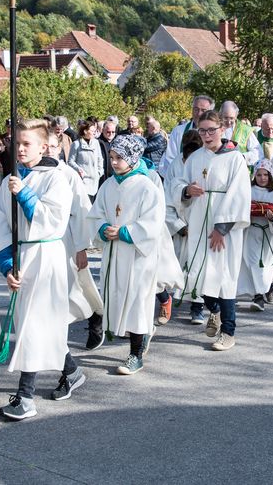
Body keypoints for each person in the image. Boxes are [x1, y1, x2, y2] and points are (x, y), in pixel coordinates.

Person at [0, 119, 81, 420]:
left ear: (43, 146)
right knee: (38, 325)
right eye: (16, 143)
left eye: (26, 144)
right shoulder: (10, 180)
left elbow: (53, 221)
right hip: (22, 258)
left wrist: (25, 194)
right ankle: (72, 371)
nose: (19, 149)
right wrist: (7, 265)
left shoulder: (56, 179)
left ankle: (26, 397)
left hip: (46, 256)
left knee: (34, 325)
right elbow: (1, 228)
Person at [88, 134, 169, 374]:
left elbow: (154, 222)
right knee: (117, 296)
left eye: (119, 158)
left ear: (133, 158)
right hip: (114, 253)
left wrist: (125, 232)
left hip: (138, 255)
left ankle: (135, 355)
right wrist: (102, 228)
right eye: (112, 157)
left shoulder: (146, 186)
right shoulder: (108, 185)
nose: (114, 162)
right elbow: (96, 214)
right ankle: (140, 337)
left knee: (137, 302)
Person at [172, 110, 250, 351]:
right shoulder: (195, 157)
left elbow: (239, 195)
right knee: (199, 273)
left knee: (224, 277)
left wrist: (221, 228)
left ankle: (228, 332)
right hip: (198, 224)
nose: (206, 135)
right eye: (202, 130)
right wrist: (186, 191)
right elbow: (178, 183)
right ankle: (213, 311)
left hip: (224, 229)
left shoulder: (235, 159)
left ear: (222, 129)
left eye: (211, 130)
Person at [45, 132, 103, 354]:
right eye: (45, 146)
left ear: (60, 148)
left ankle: (95, 314)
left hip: (67, 236)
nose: (48, 150)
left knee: (75, 285)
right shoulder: (34, 173)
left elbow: (81, 211)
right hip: (45, 239)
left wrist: (81, 248)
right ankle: (53, 338)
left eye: (53, 146)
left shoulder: (68, 174)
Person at [238, 159, 273, 311]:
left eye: (265, 175)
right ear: (254, 176)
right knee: (253, 263)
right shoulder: (248, 190)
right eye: (259, 175)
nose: (262, 178)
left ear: (270, 176)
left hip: (270, 234)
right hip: (251, 233)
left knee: (267, 266)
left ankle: (268, 288)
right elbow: (239, 207)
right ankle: (258, 297)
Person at [162, 129, 203, 322]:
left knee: (198, 267)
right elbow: (166, 198)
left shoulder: (206, 164)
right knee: (178, 266)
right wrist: (178, 225)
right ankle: (169, 299)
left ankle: (197, 306)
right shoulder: (175, 167)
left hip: (201, 224)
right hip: (180, 225)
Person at [158, 95, 215, 177]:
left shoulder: (215, 134)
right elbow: (170, 158)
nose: (199, 113)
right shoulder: (178, 132)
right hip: (180, 177)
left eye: (203, 110)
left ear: (210, 113)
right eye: (196, 109)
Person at [68, 119, 104, 201]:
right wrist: (79, 170)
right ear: (85, 131)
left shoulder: (96, 143)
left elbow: (100, 159)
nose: (94, 133)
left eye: (95, 131)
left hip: (95, 181)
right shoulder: (76, 144)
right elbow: (70, 162)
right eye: (92, 131)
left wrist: (99, 172)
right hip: (82, 181)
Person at [220, 101, 260, 166]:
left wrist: (241, 157)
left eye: (231, 118)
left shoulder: (245, 130)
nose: (229, 122)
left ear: (236, 115)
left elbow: (258, 152)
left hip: (240, 168)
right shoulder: (213, 128)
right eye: (225, 118)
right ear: (220, 114)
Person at [97, 119, 116, 186]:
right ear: (102, 130)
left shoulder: (118, 142)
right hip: (101, 178)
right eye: (108, 132)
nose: (111, 134)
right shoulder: (97, 143)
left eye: (113, 132)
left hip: (114, 177)